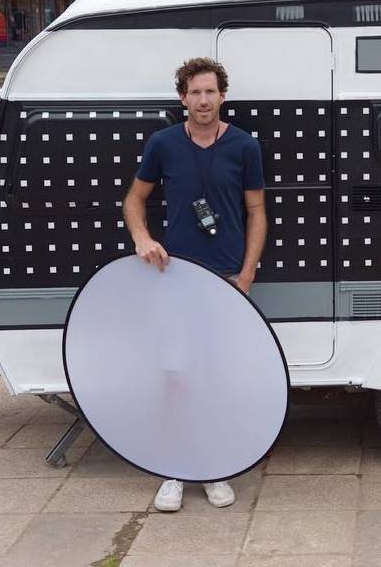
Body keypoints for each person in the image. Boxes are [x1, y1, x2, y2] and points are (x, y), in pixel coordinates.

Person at [123, 57, 267, 512]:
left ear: (222, 96)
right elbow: (134, 200)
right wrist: (143, 238)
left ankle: (213, 467)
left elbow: (256, 213)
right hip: (175, 278)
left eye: (210, 92)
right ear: (182, 98)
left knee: (214, 377)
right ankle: (174, 468)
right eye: (194, 92)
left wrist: (245, 275)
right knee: (175, 374)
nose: (203, 100)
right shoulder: (162, 144)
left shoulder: (245, 146)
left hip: (225, 280)